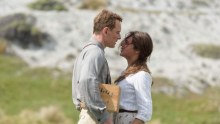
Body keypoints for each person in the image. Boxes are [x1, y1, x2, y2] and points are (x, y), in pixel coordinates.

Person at [72, 9, 122, 124]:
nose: (119, 37)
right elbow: (87, 81)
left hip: (90, 114)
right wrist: (103, 116)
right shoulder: (95, 52)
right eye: (117, 32)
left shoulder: (88, 50)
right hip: (93, 117)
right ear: (106, 31)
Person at [114, 31, 153, 124]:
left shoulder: (141, 75)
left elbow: (145, 110)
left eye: (126, 42)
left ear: (137, 49)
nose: (122, 44)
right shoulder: (126, 73)